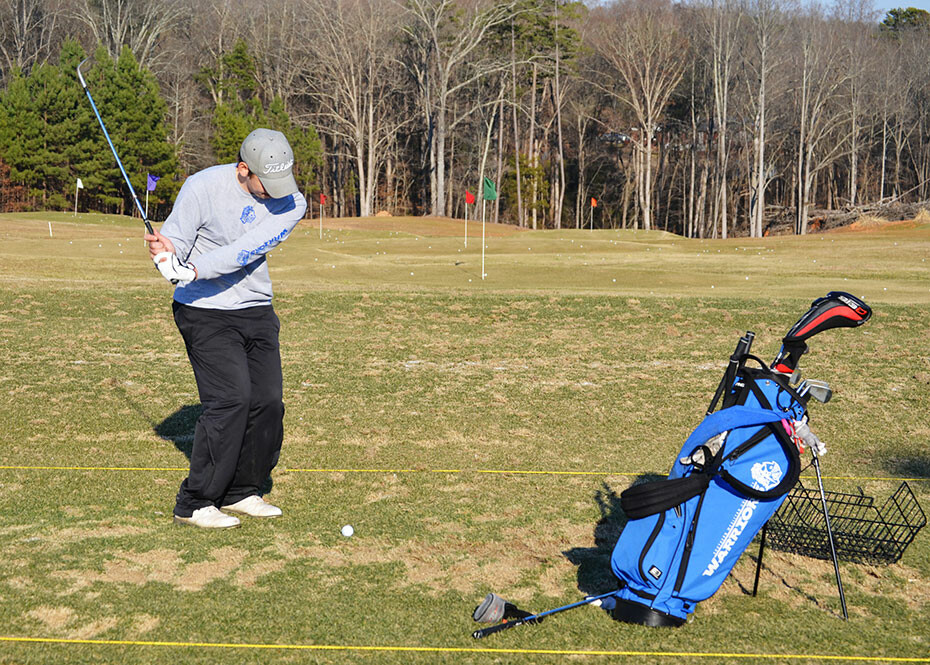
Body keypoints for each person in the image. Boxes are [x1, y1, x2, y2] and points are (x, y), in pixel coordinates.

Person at [145, 128, 307, 528]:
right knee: (231, 400)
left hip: (255, 307)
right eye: (266, 184)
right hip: (203, 310)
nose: (275, 192)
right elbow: (176, 242)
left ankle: (242, 491)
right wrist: (166, 256)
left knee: (267, 402)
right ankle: (195, 502)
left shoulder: (293, 204)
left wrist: (194, 267)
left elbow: (243, 251)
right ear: (242, 170)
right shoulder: (202, 187)